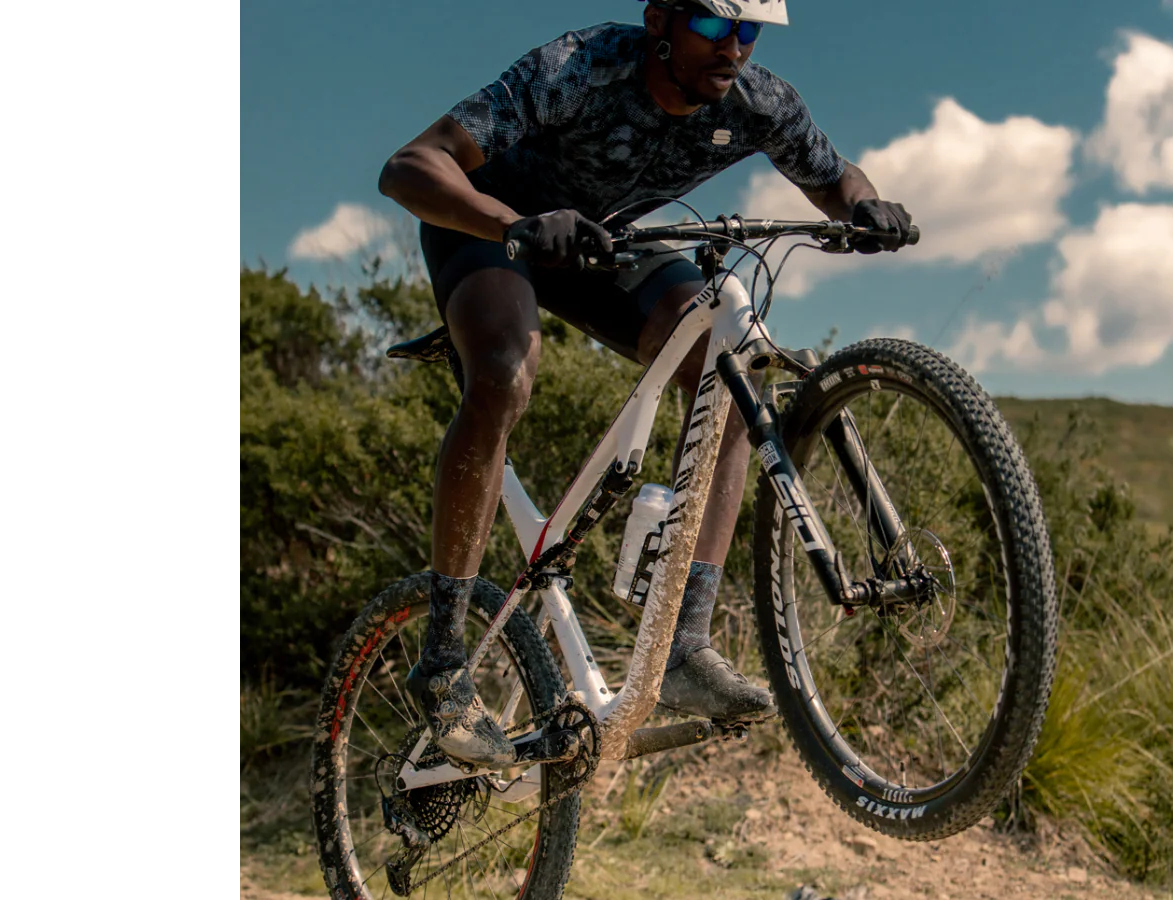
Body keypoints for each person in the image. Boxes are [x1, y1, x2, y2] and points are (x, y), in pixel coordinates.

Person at [377, 0, 914, 767]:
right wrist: (511, 225)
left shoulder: (758, 100)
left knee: (729, 366)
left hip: (606, 242)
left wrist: (863, 206)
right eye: (713, 27)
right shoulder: (581, 68)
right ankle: (441, 663)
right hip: (494, 227)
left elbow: (836, 179)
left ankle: (683, 648)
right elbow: (409, 165)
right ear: (660, 19)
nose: (733, 49)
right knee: (503, 371)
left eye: (748, 31)